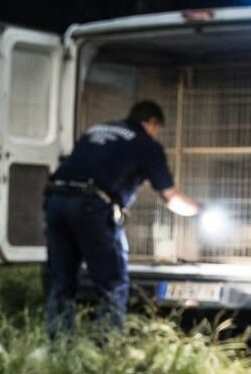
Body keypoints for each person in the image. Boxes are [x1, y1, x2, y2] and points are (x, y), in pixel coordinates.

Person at [43, 100, 200, 337]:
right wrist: (200, 210)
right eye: (158, 130)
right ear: (152, 123)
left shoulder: (95, 131)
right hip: (91, 206)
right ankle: (109, 347)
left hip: (55, 201)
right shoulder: (146, 145)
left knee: (61, 281)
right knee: (112, 283)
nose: (157, 135)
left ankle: (58, 346)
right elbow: (170, 197)